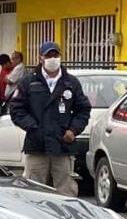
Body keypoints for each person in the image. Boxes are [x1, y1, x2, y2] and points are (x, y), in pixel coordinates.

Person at [9, 41, 91, 197]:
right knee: (33, 191)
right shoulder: (29, 82)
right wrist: (32, 127)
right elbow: (16, 109)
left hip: (62, 145)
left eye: (55, 55)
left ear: (60, 56)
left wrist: (73, 130)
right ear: (41, 58)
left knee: (66, 191)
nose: (52, 58)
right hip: (37, 145)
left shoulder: (71, 83)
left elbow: (83, 110)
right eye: (48, 55)